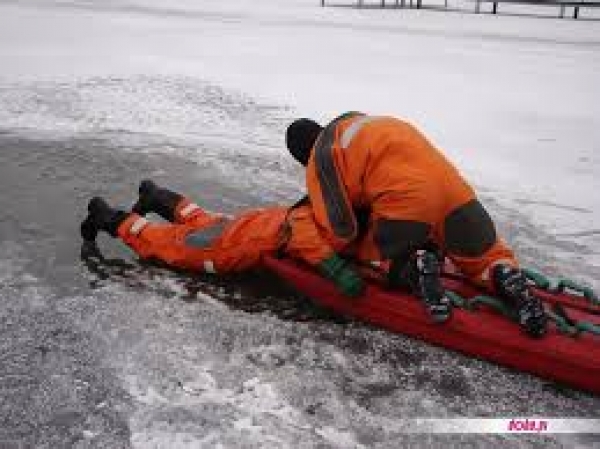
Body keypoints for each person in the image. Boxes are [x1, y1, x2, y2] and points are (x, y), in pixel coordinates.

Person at [285, 112, 548, 337]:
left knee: (371, 263)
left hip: (406, 197)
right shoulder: (364, 125)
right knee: (484, 256)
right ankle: (501, 273)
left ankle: (414, 267)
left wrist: (335, 264)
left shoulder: (321, 157)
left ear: (302, 155)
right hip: (454, 191)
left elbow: (339, 229)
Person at [80, 180, 365, 298]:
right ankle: (102, 215)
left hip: (239, 227)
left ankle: (154, 196)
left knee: (198, 219)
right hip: (224, 247)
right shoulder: (308, 226)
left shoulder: (313, 209)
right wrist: (340, 273)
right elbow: (309, 243)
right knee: (158, 242)